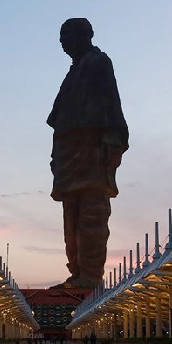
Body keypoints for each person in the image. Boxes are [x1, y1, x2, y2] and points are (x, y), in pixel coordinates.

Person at [47, 18, 128, 289]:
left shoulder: (99, 62)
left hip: (92, 148)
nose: (62, 42)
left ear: (85, 35)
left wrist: (111, 139)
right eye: (61, 37)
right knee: (70, 216)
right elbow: (59, 118)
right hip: (69, 150)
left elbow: (111, 102)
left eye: (66, 36)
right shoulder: (73, 71)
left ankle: (91, 276)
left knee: (92, 212)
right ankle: (77, 272)